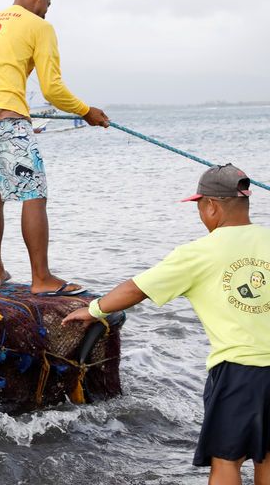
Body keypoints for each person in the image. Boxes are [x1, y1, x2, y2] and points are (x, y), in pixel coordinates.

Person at [63, 164, 269, 485]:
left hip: (240, 371)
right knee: (266, 456)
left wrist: (94, 309)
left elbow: (136, 289)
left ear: (211, 206)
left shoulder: (198, 253)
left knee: (227, 461)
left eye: (200, 207)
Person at [0, 0, 111, 293]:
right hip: (6, 115)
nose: (46, 11)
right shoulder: (38, 25)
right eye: (47, 4)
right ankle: (42, 278)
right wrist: (86, 111)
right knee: (34, 193)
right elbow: (52, 88)